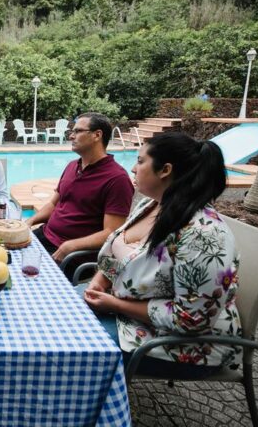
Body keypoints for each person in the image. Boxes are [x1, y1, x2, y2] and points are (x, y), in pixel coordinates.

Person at [81, 132, 241, 378]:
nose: (133, 168)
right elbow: (122, 256)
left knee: (74, 344)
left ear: (165, 170)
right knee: (55, 315)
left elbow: (191, 319)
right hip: (129, 313)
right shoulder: (152, 204)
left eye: (140, 161)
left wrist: (115, 304)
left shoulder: (203, 236)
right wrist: (101, 280)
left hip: (183, 345)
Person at [26, 113, 133, 269]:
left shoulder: (117, 179)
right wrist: (30, 221)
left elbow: (111, 232)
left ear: (97, 135)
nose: (71, 136)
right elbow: (53, 204)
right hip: (45, 236)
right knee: (6, 255)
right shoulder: (71, 166)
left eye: (77, 131)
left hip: (72, 254)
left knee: (26, 276)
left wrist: (71, 246)